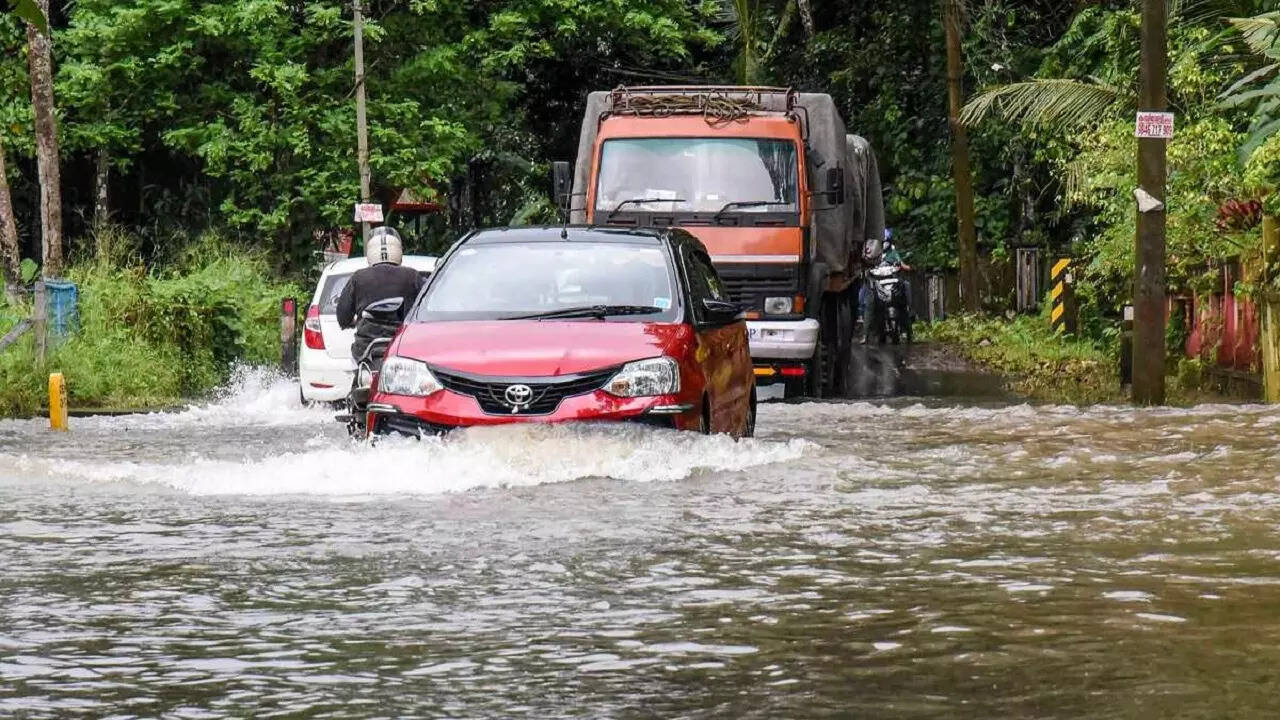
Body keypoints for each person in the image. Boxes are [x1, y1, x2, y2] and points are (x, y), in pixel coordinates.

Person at [336, 226, 425, 361]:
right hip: (403, 348)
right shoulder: (413, 276)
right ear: (398, 250)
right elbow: (426, 309)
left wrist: (352, 322)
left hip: (364, 350)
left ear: (370, 252)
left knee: (355, 376)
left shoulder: (358, 278)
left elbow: (342, 317)